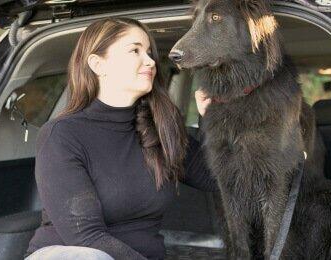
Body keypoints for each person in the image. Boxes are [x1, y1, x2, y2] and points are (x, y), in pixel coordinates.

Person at [25, 17, 217, 260]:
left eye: (148, 52)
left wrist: (212, 119)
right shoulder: (61, 135)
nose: (149, 61)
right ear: (97, 64)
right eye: (134, 50)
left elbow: (218, 177)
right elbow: (86, 236)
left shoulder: (160, 129)